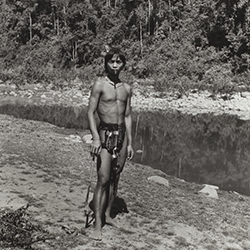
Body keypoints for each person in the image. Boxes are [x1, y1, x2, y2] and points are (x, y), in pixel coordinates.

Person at [87, 47, 134, 240]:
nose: (115, 65)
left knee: (115, 178)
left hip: (121, 135)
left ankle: (107, 214)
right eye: (111, 61)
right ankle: (98, 224)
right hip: (105, 134)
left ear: (123, 64)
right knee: (103, 179)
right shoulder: (99, 84)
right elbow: (90, 112)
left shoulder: (127, 88)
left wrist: (130, 143)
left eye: (119, 62)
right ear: (106, 63)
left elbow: (128, 115)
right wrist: (96, 138)